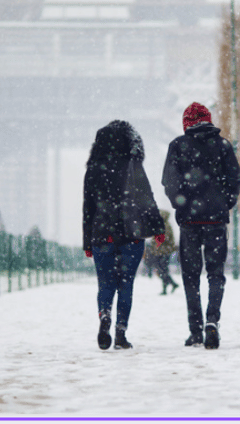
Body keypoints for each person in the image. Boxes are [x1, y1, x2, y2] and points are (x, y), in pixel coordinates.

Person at [162, 102, 240, 349]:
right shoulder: (223, 146)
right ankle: (212, 320)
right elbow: (235, 180)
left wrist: (182, 205)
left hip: (190, 221)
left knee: (190, 276)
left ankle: (195, 329)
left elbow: (169, 182)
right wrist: (223, 204)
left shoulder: (177, 146)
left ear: (186, 123)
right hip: (216, 219)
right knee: (216, 273)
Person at [83, 120, 165, 350]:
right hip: (131, 233)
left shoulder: (93, 169)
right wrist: (158, 228)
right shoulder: (133, 165)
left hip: (102, 235)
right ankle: (120, 332)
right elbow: (147, 199)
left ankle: (105, 315)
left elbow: (88, 208)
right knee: (126, 284)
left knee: (105, 284)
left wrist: (87, 240)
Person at [150, 210, 179, 295]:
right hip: (161, 251)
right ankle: (171, 285)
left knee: (162, 270)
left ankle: (168, 287)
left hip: (164, 252)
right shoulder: (161, 225)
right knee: (162, 270)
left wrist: (155, 241)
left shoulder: (165, 225)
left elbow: (164, 238)